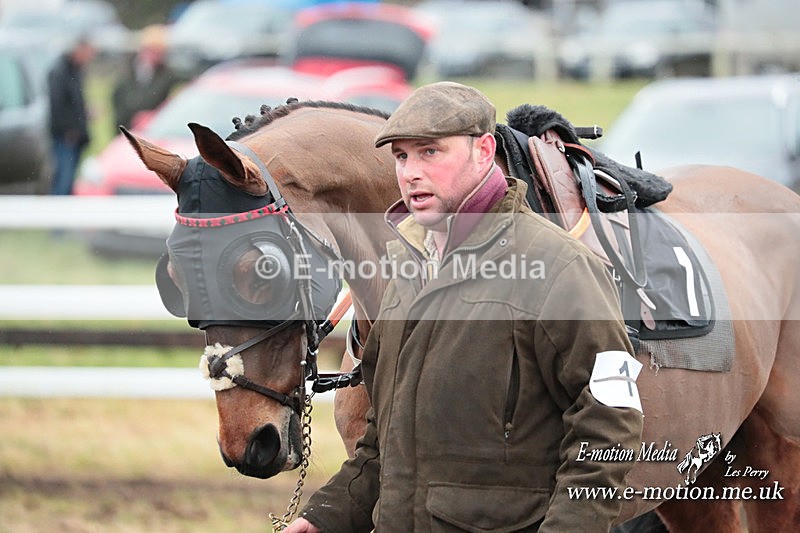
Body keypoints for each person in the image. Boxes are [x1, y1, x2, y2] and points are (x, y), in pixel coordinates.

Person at [286, 82, 644, 532]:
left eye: (430, 152)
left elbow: (610, 426)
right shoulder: (404, 269)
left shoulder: (561, 267)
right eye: (402, 156)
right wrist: (330, 515)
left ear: (483, 150)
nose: (411, 172)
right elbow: (385, 436)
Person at [47, 36, 95, 195]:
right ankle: (58, 217)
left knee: (68, 178)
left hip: (73, 135)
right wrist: (70, 129)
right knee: (63, 178)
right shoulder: (60, 72)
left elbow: (72, 103)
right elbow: (58, 105)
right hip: (66, 137)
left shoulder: (73, 70)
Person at [111, 24, 178, 131]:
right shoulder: (127, 70)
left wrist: (152, 115)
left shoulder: (168, 75)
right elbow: (118, 99)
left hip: (152, 129)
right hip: (126, 127)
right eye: (152, 50)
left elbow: (172, 101)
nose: (155, 55)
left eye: (159, 52)